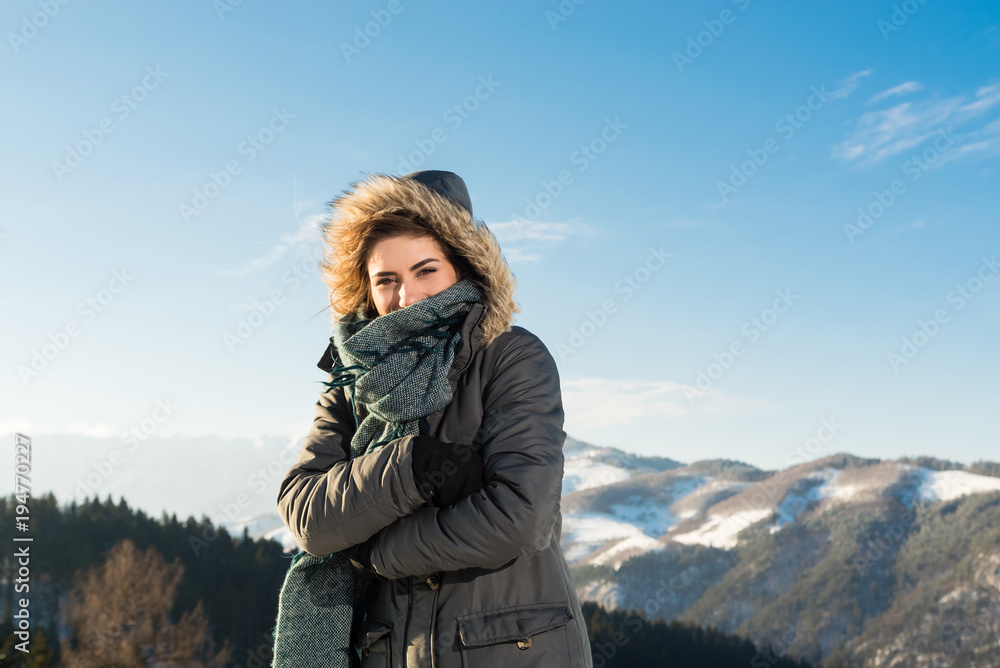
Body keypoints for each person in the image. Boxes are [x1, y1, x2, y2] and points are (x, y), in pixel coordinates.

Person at [275, 170, 594, 667]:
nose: (407, 298)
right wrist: (410, 468)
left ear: (464, 269)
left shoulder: (509, 357)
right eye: (386, 280)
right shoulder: (353, 382)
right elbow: (308, 517)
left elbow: (519, 518)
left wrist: (377, 553)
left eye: (426, 271)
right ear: (366, 288)